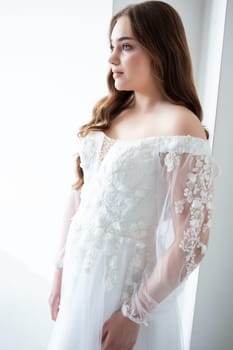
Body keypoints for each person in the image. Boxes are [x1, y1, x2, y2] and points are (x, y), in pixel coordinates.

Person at [47, 1, 218, 349]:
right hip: (81, 284)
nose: (112, 59)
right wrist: (60, 269)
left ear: (160, 48)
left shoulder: (179, 125)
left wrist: (134, 313)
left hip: (126, 291)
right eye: (112, 47)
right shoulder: (111, 114)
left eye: (126, 46)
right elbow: (79, 196)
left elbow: (192, 241)